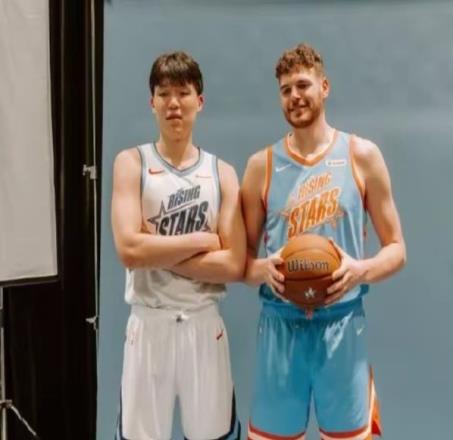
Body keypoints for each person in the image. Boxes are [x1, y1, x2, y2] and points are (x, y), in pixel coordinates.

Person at [241, 43, 406, 440]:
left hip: (342, 324)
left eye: (303, 85)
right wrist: (261, 269)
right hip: (280, 326)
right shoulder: (261, 165)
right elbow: (239, 261)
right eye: (285, 90)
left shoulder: (361, 155)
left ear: (325, 87)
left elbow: (397, 249)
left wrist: (361, 270)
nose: (294, 96)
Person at [111, 51, 244, 440]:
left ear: (199, 102)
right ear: (151, 102)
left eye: (183, 93)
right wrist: (203, 241)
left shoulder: (222, 173)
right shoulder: (132, 163)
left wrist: (155, 249)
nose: (173, 103)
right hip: (148, 322)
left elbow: (234, 264)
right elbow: (129, 251)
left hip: (203, 322)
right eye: (164, 93)